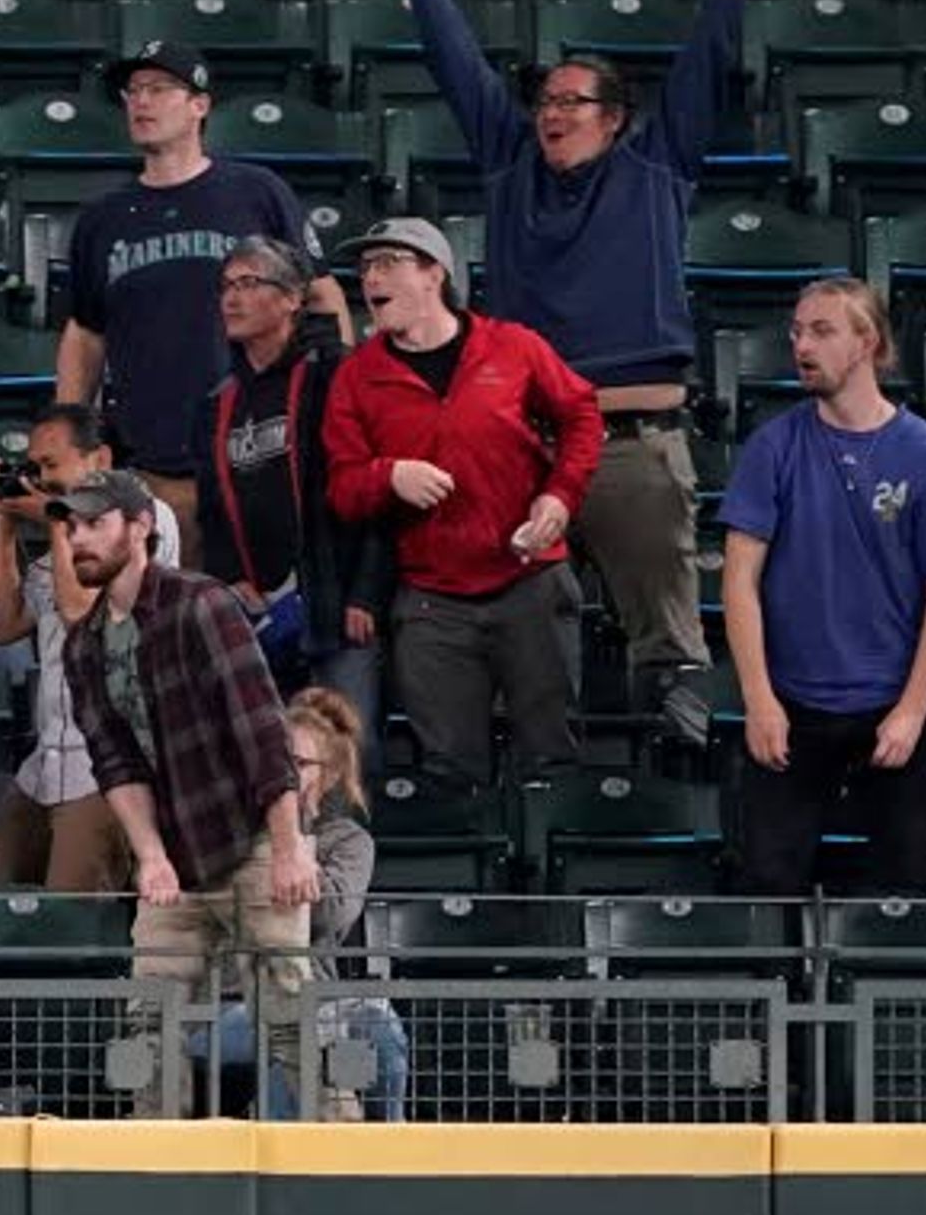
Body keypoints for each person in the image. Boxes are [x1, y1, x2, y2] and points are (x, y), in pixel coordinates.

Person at [354, 0, 800, 736]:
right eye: (544, 99)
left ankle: (669, 752)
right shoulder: (513, 167)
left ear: (614, 115)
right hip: (522, 442)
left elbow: (710, 56)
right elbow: (456, 66)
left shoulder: (657, 165)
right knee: (510, 629)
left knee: (665, 645)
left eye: (571, 99)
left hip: (630, 439)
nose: (550, 111)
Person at [717, 278, 926, 896]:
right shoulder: (774, 446)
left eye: (821, 330)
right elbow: (739, 578)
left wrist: (910, 713)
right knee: (764, 878)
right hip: (796, 700)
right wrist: (760, 700)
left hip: (899, 698)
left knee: (908, 881)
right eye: (795, 331)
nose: (801, 345)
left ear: (867, 341)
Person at [58, 468, 320, 1101]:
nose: (78, 539)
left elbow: (261, 729)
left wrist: (287, 848)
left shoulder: (199, 604)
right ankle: (159, 1170)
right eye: (72, 527)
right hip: (174, 851)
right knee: (149, 1023)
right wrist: (150, 857)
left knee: (288, 1017)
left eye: (96, 523)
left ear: (140, 527)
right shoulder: (83, 645)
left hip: (252, 835)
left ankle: (339, 1154)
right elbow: (115, 763)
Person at [320, 217, 603, 784]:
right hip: (432, 600)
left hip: (529, 581)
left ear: (434, 274)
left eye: (387, 264)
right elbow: (343, 488)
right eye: (365, 267)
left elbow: (582, 414)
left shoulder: (513, 346)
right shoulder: (357, 377)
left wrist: (559, 497)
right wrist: (389, 475)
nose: (370, 279)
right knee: (450, 769)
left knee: (552, 755)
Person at [53, 38, 351, 522]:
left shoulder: (256, 193)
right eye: (133, 90)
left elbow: (320, 295)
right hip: (147, 460)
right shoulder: (101, 219)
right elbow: (86, 332)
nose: (142, 101)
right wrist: (69, 431)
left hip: (255, 449)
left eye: (159, 88)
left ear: (200, 105)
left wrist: (334, 395)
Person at [0, 402, 171, 890]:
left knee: (72, 919)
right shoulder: (59, 540)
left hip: (106, 768)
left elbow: (81, 611)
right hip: (45, 762)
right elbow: (4, 624)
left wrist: (59, 521)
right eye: (34, 468)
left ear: (99, 459)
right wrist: (4, 524)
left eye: (51, 466)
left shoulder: (140, 517)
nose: (41, 479)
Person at [199, 235, 381, 747]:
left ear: (292, 298)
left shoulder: (338, 375)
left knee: (347, 755)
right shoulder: (219, 402)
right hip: (261, 611)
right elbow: (214, 511)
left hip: (336, 601)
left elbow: (371, 494)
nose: (232, 298)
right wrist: (232, 577)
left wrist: (364, 591)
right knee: (268, 760)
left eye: (250, 283)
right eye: (226, 286)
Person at [192, 685, 406, 1118]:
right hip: (225, 1008)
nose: (281, 774)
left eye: (298, 763)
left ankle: (387, 1145)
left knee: (370, 1022)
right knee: (301, 1036)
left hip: (315, 1001)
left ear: (326, 777)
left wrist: (293, 852)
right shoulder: (224, 837)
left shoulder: (346, 841)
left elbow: (331, 913)